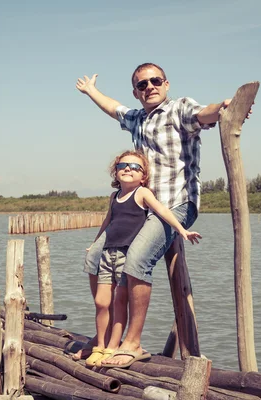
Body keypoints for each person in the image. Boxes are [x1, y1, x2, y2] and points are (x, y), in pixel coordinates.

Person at [75, 62, 248, 367]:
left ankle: (133, 342)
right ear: (136, 92)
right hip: (142, 209)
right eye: (142, 84)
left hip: (177, 204)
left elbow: (203, 114)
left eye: (155, 81)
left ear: (166, 84)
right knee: (93, 258)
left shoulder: (179, 109)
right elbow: (114, 108)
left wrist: (222, 107)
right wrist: (91, 91)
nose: (150, 87)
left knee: (137, 259)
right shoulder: (137, 119)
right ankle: (104, 338)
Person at [83, 150, 201, 368]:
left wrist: (182, 230)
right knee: (102, 301)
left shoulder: (143, 193)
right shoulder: (113, 198)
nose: (128, 169)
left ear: (144, 176)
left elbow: (163, 211)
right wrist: (95, 242)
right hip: (108, 252)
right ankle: (102, 343)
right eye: (123, 165)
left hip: (125, 255)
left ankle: (111, 347)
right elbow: (108, 222)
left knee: (120, 302)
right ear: (115, 172)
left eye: (136, 167)